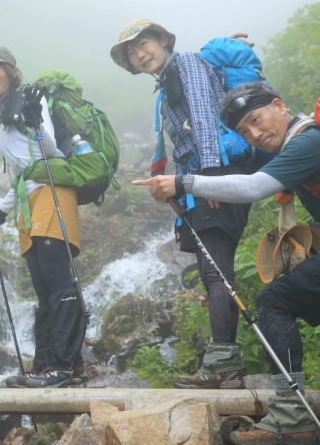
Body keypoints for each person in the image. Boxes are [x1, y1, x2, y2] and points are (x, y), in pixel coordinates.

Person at [133, 81, 319, 445]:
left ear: (279, 106)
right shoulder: (298, 144)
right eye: (244, 131)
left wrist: (184, 182)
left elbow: (252, 187)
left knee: (274, 302)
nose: (254, 134)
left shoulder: (308, 141)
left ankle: (294, 418)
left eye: (256, 119)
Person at [110, 19, 253, 390]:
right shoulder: (165, 85)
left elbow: (205, 119)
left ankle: (223, 364)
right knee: (213, 271)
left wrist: (208, 179)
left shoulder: (186, 63)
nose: (140, 54)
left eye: (144, 44)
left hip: (216, 174)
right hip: (202, 179)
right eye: (131, 51)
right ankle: (226, 364)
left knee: (216, 271)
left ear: (161, 41)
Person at [0, 45, 86, 389]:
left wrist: (35, 119)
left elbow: (48, 150)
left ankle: (62, 366)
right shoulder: (0, 115)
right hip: (28, 198)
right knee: (42, 285)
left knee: (57, 278)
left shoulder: (31, 97)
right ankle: (49, 364)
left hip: (52, 190)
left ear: (12, 72)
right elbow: (23, 170)